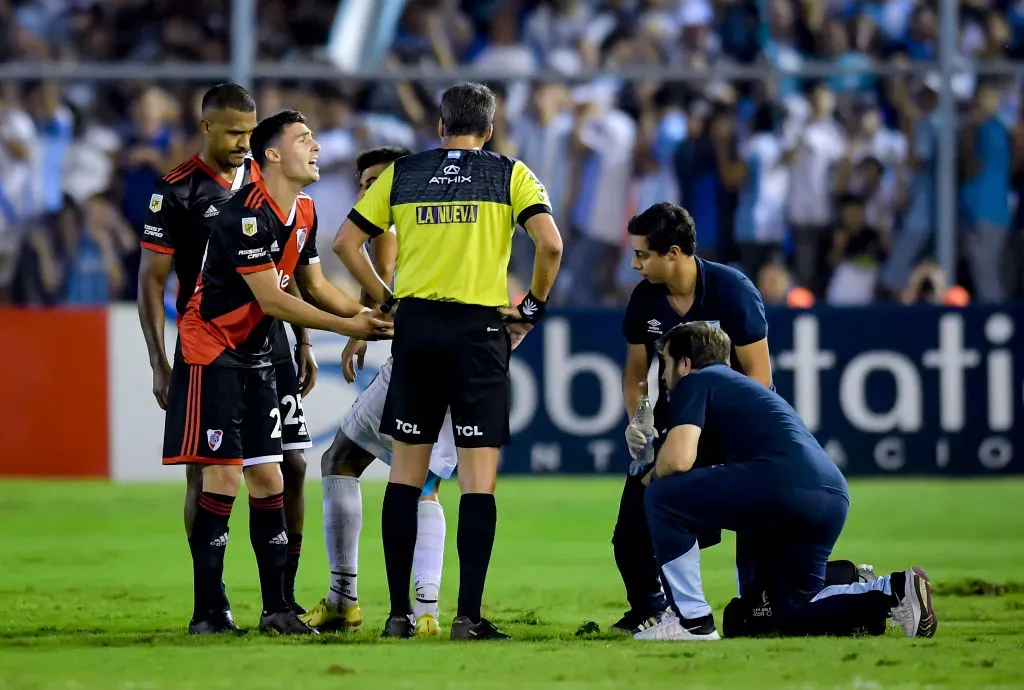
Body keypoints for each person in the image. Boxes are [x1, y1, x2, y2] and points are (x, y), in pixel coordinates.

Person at [334, 82, 563, 640]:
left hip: (416, 330)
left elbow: (344, 243)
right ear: (489, 130)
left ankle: (395, 616)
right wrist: (529, 306)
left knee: (405, 479)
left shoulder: (403, 173)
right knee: (477, 483)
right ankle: (467, 617)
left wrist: (385, 297)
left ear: (440, 127)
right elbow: (551, 245)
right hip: (479, 333)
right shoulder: (510, 173)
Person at [161, 109, 392, 635]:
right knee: (220, 474)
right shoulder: (243, 214)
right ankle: (208, 613)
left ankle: (277, 610)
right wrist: (349, 322)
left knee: (270, 475)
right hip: (212, 351)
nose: (316, 147)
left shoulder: (305, 210)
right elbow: (273, 300)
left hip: (256, 357)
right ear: (272, 155)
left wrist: (368, 312)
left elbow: (313, 286)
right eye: (304, 139)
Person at [137, 84, 317, 620]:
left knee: (293, 464)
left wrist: (304, 342)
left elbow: (295, 264)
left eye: (249, 131)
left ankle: (281, 596)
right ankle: (211, 602)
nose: (243, 141)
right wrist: (159, 360)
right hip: (214, 342)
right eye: (233, 131)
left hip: (274, 339)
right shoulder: (177, 191)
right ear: (206, 127)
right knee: (211, 471)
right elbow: (152, 281)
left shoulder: (272, 177)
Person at [637, 321, 937, 641]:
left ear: (685, 364)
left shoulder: (696, 381)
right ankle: (891, 589)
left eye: (666, 363)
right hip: (829, 495)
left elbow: (678, 460)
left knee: (662, 495)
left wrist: (651, 473)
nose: (664, 376)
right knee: (786, 612)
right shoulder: (745, 389)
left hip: (782, 488)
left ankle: (693, 623)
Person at [300, 146, 458, 638]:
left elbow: (383, 274)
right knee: (425, 482)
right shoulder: (439, 218)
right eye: (363, 183)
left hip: (416, 362)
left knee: (341, 461)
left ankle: (344, 597)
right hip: (463, 359)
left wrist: (380, 310)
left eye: (376, 181)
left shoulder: (390, 224)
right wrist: (357, 331)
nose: (368, 191)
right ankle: (427, 607)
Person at [613, 201, 772, 635]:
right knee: (630, 534)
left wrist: (736, 435)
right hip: (676, 427)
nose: (634, 263)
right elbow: (634, 375)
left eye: (643, 254)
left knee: (754, 525)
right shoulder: (645, 299)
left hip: (733, 430)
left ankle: (762, 605)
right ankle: (651, 610)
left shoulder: (732, 289)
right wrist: (640, 421)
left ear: (674, 253)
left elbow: (759, 374)